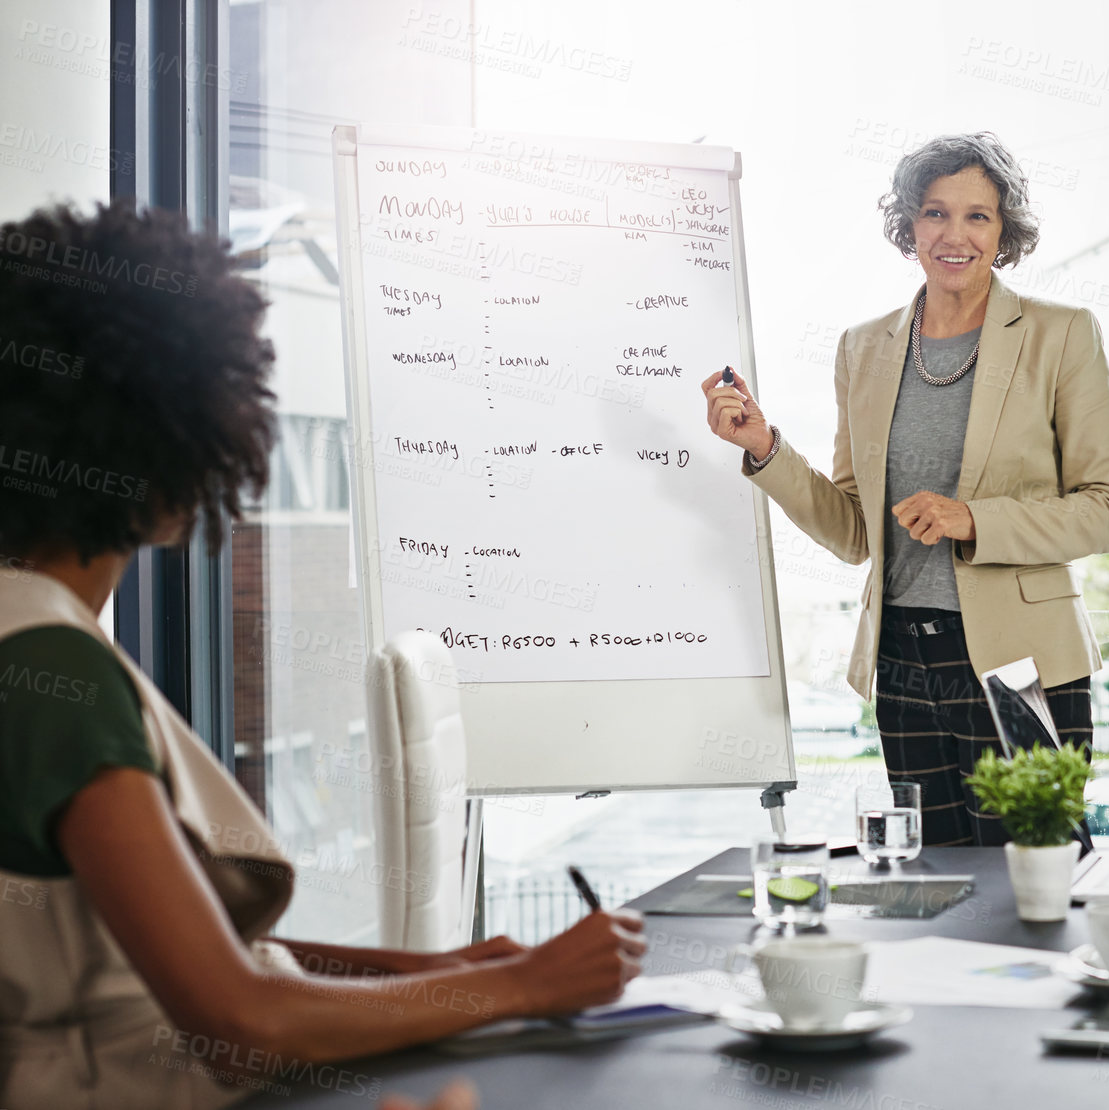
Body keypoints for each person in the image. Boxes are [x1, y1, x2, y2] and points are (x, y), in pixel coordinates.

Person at [0, 200, 644, 1109]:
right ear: (177, 438)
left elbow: (162, 957)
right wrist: (528, 987)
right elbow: (237, 1022)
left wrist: (442, 971)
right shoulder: (54, 673)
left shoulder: (25, 633)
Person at [700, 133, 1109, 846]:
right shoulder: (862, 348)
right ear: (908, 227)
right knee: (933, 879)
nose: (954, 235)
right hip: (902, 659)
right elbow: (852, 532)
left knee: (1035, 876)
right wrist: (764, 450)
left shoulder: (1061, 335)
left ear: (1004, 233)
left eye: (977, 216)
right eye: (935, 214)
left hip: (1021, 661)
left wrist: (973, 520)